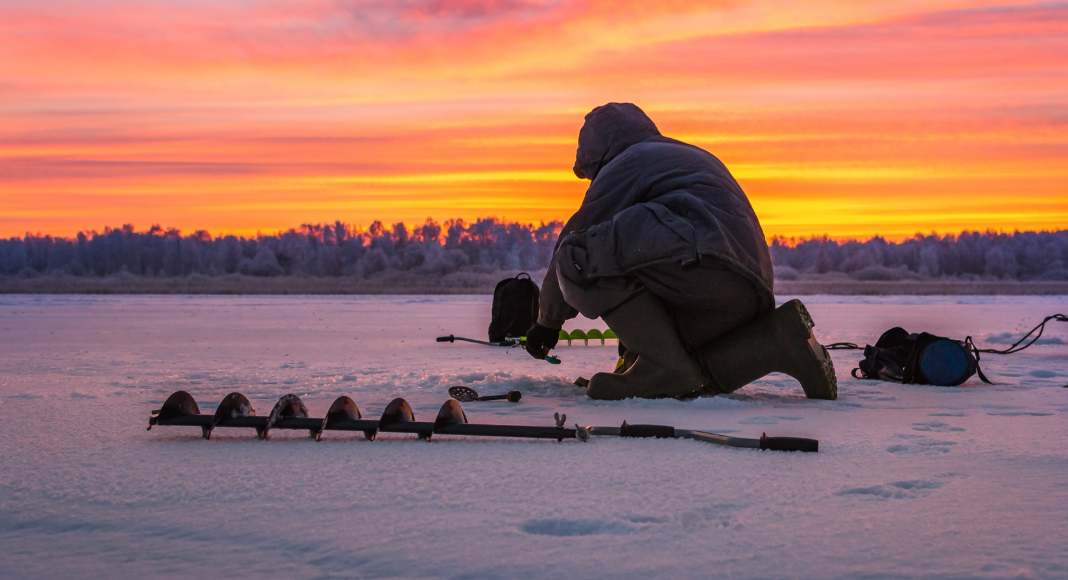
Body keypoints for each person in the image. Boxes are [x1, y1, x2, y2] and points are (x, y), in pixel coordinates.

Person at [523, 103, 837, 400]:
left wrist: (547, 323)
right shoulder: (683, 155)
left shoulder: (629, 161)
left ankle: (663, 367)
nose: (593, 183)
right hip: (742, 295)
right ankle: (779, 339)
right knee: (693, 372)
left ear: (599, 154)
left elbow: (570, 246)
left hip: (704, 269)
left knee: (579, 256)